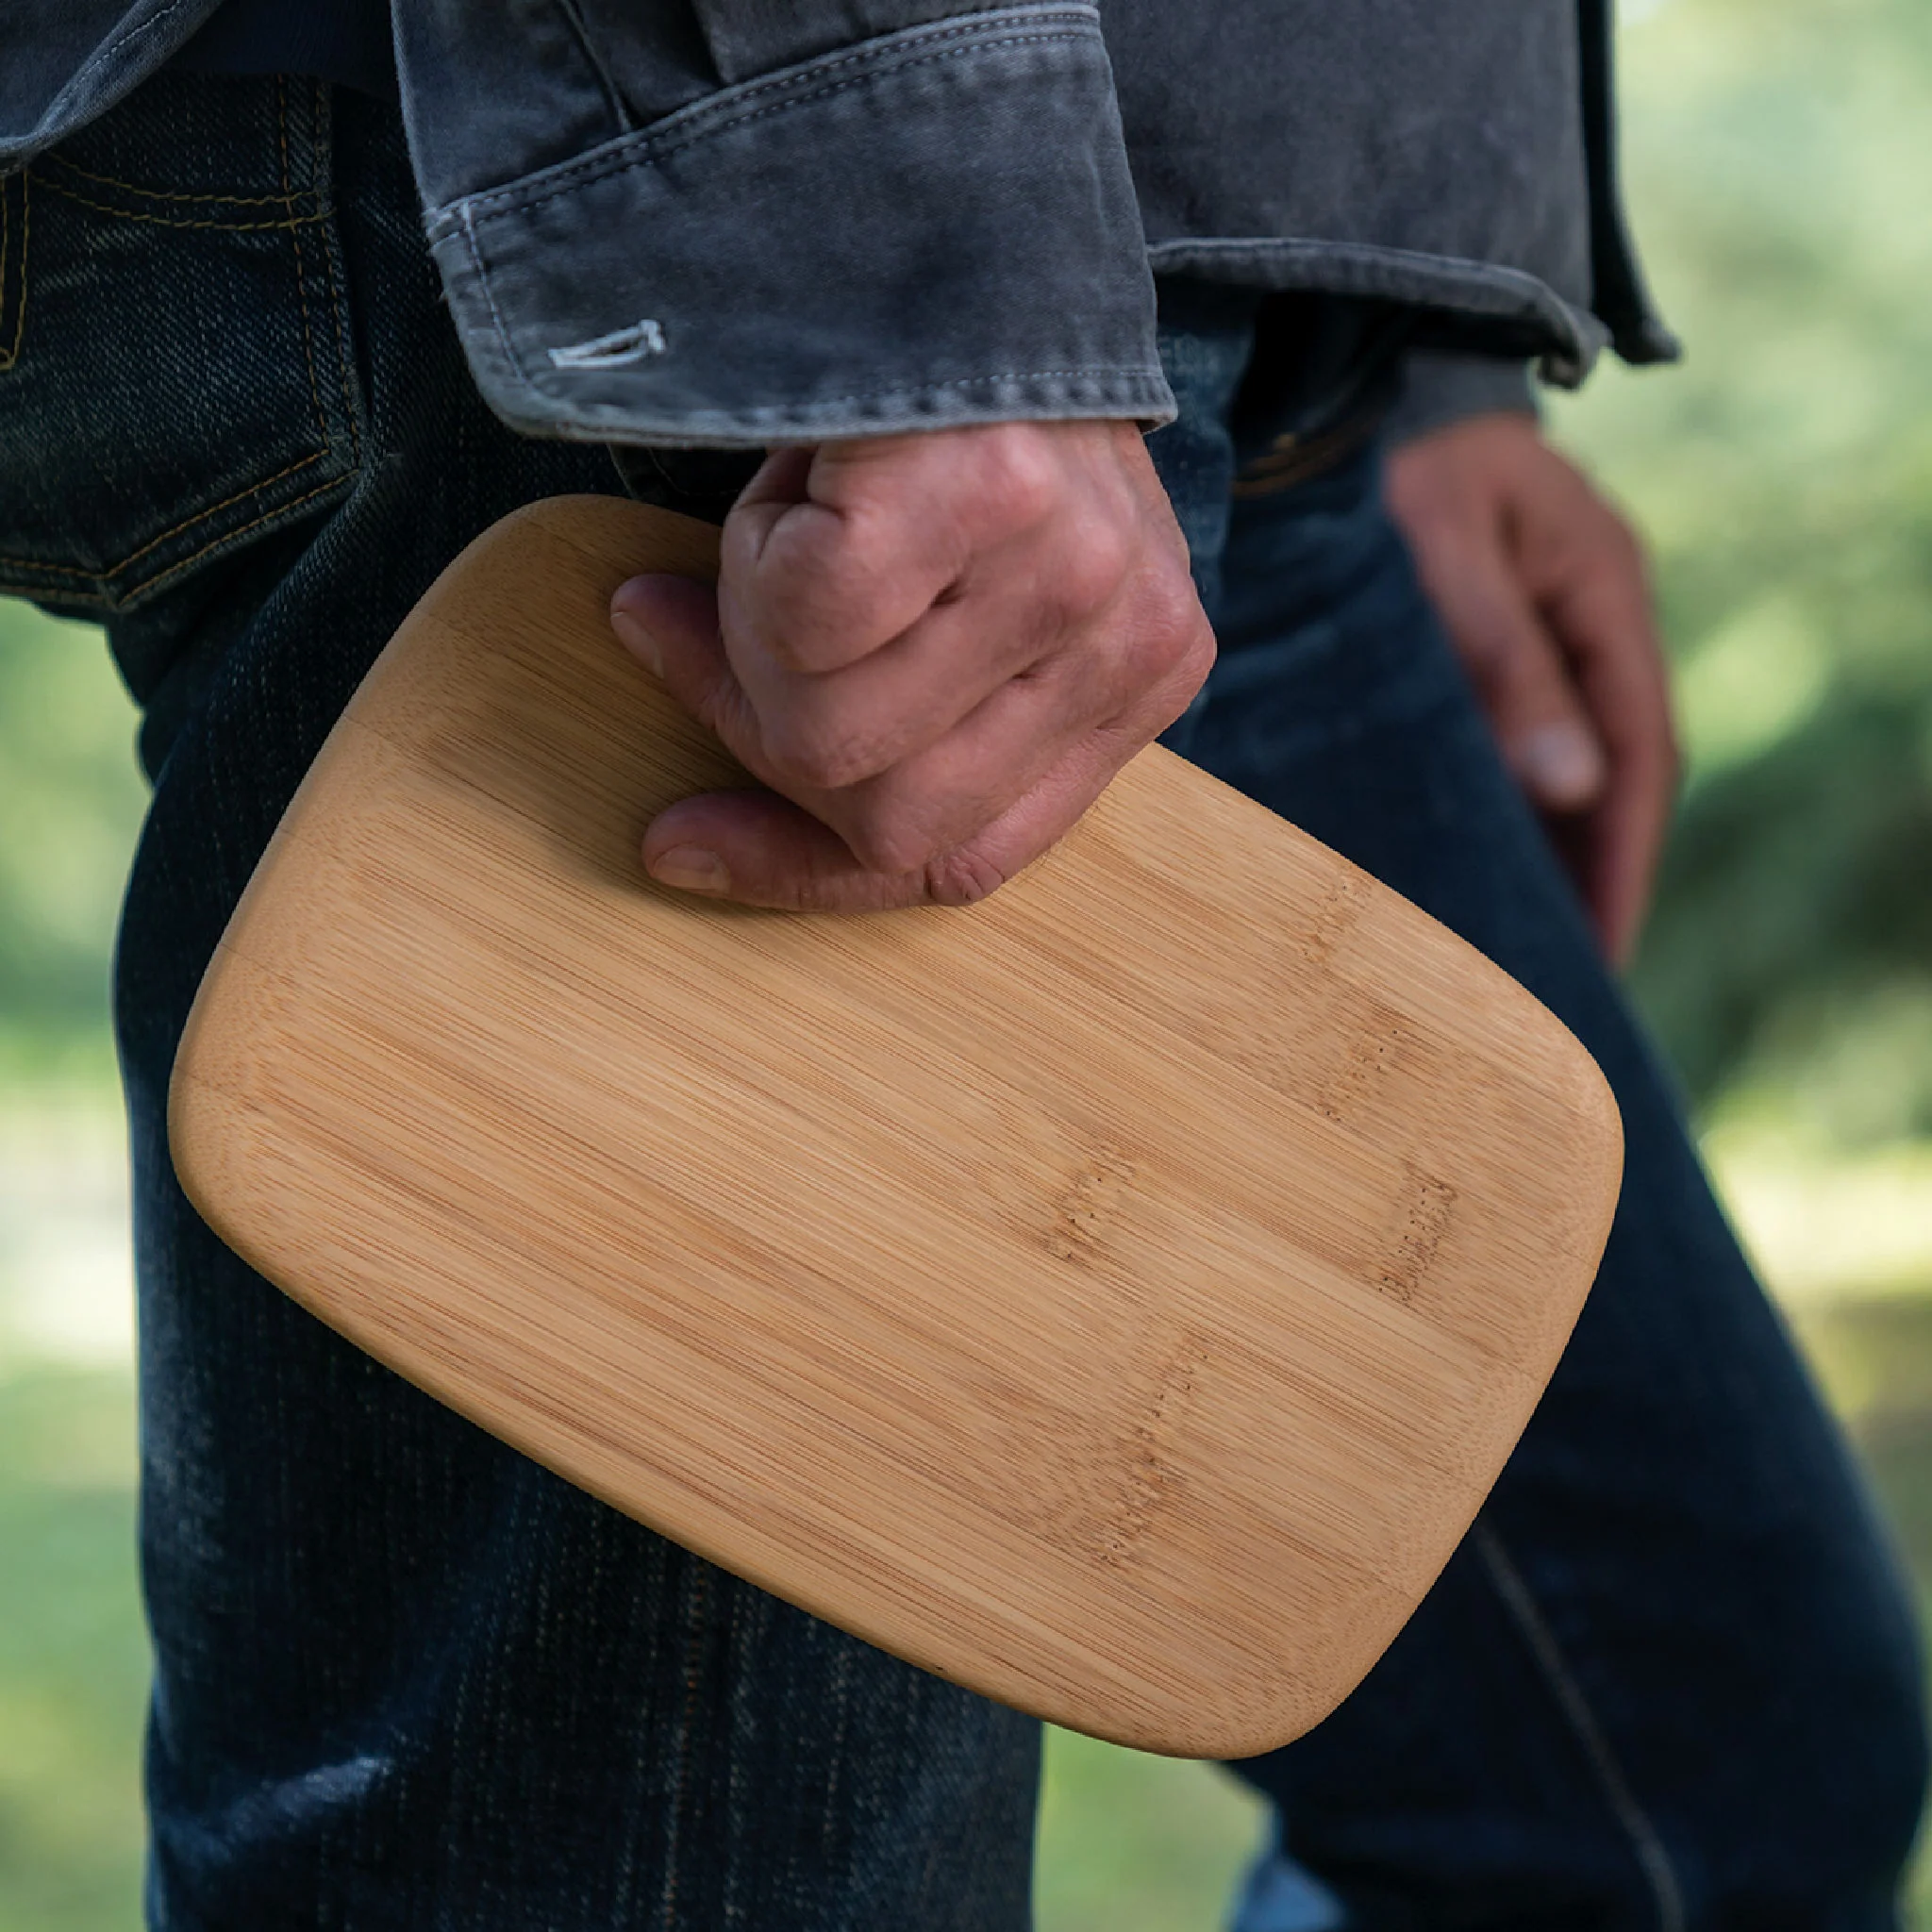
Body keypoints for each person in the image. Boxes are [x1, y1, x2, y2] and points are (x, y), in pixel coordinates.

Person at [1, 3, 1924, 1926]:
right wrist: (887, 223)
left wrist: (1418, 348)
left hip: (1145, 280)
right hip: (714, 242)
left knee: (1683, 1794)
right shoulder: (877, 249)